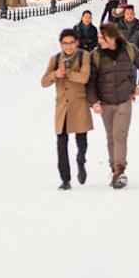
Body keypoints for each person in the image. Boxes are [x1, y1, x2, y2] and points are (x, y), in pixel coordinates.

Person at [87, 23, 139, 189]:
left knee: (119, 135)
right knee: (111, 138)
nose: (99, 40)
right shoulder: (96, 55)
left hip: (124, 100)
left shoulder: (129, 50)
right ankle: (113, 166)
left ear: (112, 37)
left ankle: (120, 171)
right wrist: (93, 101)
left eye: (102, 38)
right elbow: (91, 81)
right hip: (105, 103)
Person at [42, 29, 93, 190]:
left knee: (81, 140)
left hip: (79, 104)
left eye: (71, 43)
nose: (68, 46)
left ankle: (81, 160)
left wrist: (69, 73)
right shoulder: (55, 59)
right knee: (61, 144)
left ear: (76, 43)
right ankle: (65, 179)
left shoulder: (84, 56)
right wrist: (55, 74)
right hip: (62, 106)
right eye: (65, 43)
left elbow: (85, 77)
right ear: (61, 44)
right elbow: (44, 82)